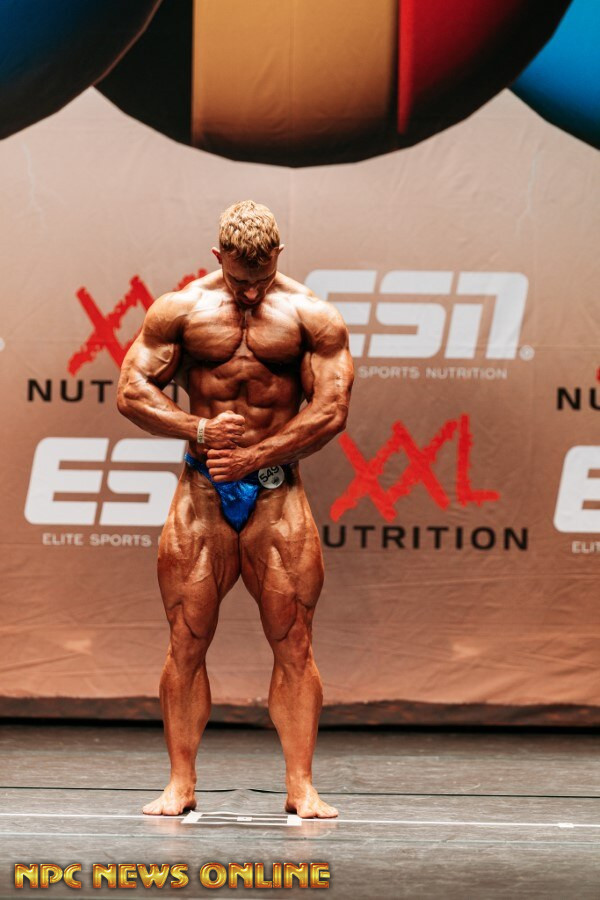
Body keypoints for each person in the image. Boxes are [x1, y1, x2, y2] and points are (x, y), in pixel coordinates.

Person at [117, 200, 353, 818]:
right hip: (201, 494)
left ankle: (301, 787)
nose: (250, 292)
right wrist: (197, 429)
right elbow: (131, 390)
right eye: (239, 278)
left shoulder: (312, 316)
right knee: (186, 638)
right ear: (218, 256)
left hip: (277, 493)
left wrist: (256, 456)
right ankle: (180, 784)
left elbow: (331, 410)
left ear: (278, 256)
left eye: (262, 277)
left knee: (294, 641)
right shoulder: (180, 310)